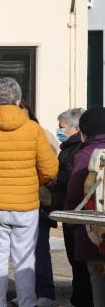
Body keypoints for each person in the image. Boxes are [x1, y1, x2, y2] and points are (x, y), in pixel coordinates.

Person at [0, 77, 58, 307]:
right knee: (24, 257)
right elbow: (50, 168)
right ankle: (27, 301)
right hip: (26, 205)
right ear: (18, 99)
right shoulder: (33, 129)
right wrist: (34, 184)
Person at [17, 100, 59, 307]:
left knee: (40, 247)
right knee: (21, 250)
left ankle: (45, 293)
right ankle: (27, 292)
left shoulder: (43, 134)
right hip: (18, 200)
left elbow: (52, 168)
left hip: (39, 200)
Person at [64, 106, 105, 306]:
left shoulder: (85, 154)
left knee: (97, 287)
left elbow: (73, 197)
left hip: (94, 235)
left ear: (84, 132)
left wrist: (70, 223)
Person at [55, 108, 93, 307]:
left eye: (61, 127)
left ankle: (80, 299)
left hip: (77, 215)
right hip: (78, 213)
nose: (58, 130)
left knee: (80, 263)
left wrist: (54, 178)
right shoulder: (71, 147)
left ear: (77, 128)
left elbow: (73, 182)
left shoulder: (80, 151)